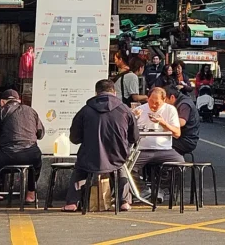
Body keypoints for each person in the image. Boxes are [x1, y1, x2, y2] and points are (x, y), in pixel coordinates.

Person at [63, 79, 139, 212]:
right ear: (114, 92)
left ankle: (72, 202)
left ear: (96, 93)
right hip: (117, 156)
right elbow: (134, 137)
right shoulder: (125, 110)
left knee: (80, 169)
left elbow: (74, 138)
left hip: (89, 157)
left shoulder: (85, 110)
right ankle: (124, 201)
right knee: (121, 167)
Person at [130, 87, 182, 202]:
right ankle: (144, 190)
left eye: (157, 103)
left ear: (164, 100)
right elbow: (128, 132)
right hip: (143, 149)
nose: (153, 105)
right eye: (151, 102)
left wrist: (163, 123)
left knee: (180, 163)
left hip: (164, 149)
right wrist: (133, 118)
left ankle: (160, 189)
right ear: (147, 99)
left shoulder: (170, 109)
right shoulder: (139, 109)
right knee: (127, 167)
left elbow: (177, 133)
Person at [165, 87, 200, 157]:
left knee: (158, 142)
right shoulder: (181, 101)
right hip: (182, 137)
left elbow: (181, 122)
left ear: (172, 97)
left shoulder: (184, 104)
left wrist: (163, 123)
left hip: (186, 140)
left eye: (165, 100)